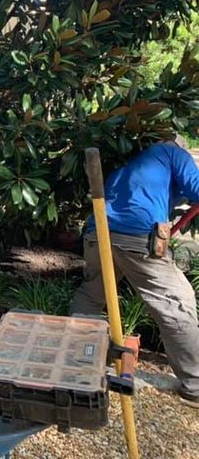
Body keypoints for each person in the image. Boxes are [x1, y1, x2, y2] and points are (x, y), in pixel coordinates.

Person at [71, 135, 199, 408]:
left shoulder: (130, 168)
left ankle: (79, 364)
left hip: (97, 232)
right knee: (177, 302)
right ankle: (195, 384)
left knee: (92, 296)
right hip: (136, 236)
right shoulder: (172, 153)